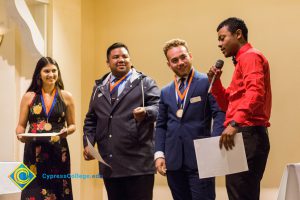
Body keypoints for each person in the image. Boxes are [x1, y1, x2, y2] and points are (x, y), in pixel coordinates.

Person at [83, 42, 160, 200]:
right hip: (110, 164)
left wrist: (146, 112)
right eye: (116, 57)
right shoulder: (99, 87)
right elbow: (91, 119)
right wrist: (88, 143)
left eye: (124, 56)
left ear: (130, 59)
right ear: (108, 63)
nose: (121, 59)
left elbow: (160, 108)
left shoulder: (145, 83)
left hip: (138, 164)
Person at [208, 17, 271, 200]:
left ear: (238, 34)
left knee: (240, 193)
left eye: (222, 38)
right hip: (243, 132)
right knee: (239, 193)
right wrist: (216, 82)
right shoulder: (242, 61)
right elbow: (228, 104)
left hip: (247, 133)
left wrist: (235, 123)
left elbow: (256, 92)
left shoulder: (250, 56)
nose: (219, 44)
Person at [155, 38, 225, 200]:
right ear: (169, 64)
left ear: (190, 56)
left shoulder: (207, 82)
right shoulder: (165, 91)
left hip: (201, 160)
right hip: (173, 162)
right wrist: (159, 154)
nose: (180, 62)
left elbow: (220, 113)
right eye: (174, 60)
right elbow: (161, 126)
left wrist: (214, 145)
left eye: (183, 57)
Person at [16, 57, 76, 200]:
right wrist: (19, 135)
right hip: (33, 150)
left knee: (59, 189)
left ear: (58, 73)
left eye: (54, 71)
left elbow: (73, 125)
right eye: (46, 71)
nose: (51, 74)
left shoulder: (66, 96)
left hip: (58, 150)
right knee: (32, 190)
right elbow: (21, 125)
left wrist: (66, 131)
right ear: (39, 74)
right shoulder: (29, 96)